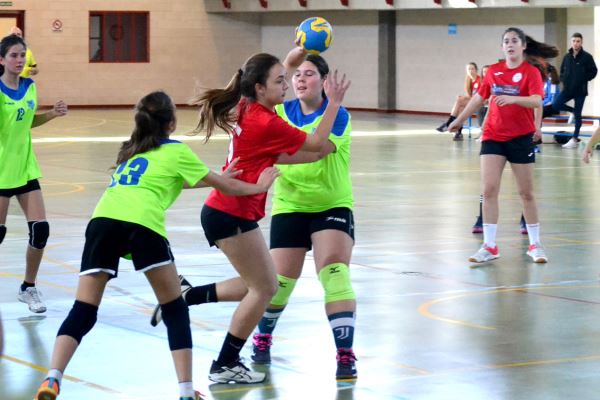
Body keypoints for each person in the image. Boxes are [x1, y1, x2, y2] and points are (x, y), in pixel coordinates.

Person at [33, 90, 280, 400]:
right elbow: (225, 186)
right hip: (142, 224)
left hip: (102, 222)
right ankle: (186, 392)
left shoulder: (132, 151)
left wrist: (216, 177)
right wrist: (259, 185)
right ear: (171, 123)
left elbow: (171, 179)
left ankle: (53, 377)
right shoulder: (177, 152)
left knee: (83, 309)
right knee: (175, 308)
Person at [150, 47, 350, 384]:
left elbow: (284, 153)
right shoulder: (266, 121)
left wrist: (286, 61)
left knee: (259, 283)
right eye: (280, 81)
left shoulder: (245, 106)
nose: (286, 85)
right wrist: (334, 102)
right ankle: (225, 362)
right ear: (259, 87)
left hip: (225, 210)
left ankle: (185, 296)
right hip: (230, 211)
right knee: (264, 288)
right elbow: (316, 142)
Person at [448, 27, 555, 264]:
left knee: (526, 193)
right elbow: (478, 98)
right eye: (506, 41)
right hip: (493, 135)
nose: (510, 44)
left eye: (514, 41)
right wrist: (458, 120)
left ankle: (535, 244)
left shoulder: (531, 73)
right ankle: (490, 246)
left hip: (520, 137)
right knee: (488, 191)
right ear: (502, 47)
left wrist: (514, 99)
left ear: (523, 45)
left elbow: (537, 100)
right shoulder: (494, 72)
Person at [0, 34, 67, 314]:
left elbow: (27, 122)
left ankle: (28, 287)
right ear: (1, 60)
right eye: (13, 55)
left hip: (25, 168)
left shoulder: (30, 87)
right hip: (2, 172)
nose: (19, 60)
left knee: (40, 230)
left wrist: (50, 114)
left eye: (22, 55)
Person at [552, 32, 597, 149]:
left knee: (578, 115)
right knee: (556, 104)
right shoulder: (567, 57)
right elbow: (562, 71)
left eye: (578, 41)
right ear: (571, 42)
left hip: (580, 91)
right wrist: (564, 79)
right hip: (568, 89)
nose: (576, 43)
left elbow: (594, 71)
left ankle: (574, 138)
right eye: (574, 41)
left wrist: (584, 78)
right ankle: (572, 111)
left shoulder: (587, 57)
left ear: (581, 43)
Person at [436, 62, 481, 141]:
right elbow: (471, 96)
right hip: (472, 102)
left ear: (476, 70)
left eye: (472, 69)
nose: (470, 71)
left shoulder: (479, 80)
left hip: (480, 104)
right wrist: (464, 98)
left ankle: (449, 123)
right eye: (468, 69)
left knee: (460, 100)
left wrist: (464, 98)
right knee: (461, 106)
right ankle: (458, 133)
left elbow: (479, 97)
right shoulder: (469, 81)